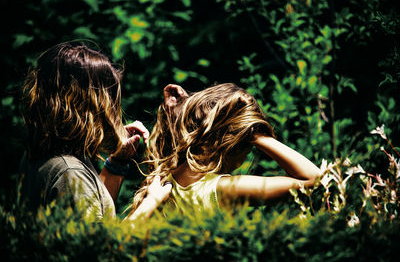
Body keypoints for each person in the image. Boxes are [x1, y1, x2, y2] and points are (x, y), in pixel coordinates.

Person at [19, 41, 171, 220]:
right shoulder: (69, 173)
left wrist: (118, 162)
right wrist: (151, 202)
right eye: (111, 103)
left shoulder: (42, 157)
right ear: (94, 107)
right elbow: (101, 247)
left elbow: (96, 213)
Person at [127, 83, 321, 216]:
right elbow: (313, 179)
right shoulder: (224, 189)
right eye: (248, 149)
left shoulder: (163, 176)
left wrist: (185, 108)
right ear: (235, 142)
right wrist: (258, 136)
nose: (246, 156)